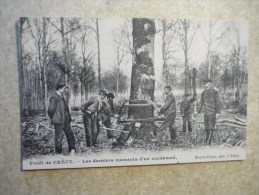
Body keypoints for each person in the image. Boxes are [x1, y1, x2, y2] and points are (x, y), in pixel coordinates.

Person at [47, 84, 76, 155]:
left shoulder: (62, 97)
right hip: (59, 122)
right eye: (64, 88)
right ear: (59, 89)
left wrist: (69, 118)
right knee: (58, 138)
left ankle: (72, 150)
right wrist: (55, 118)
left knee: (70, 135)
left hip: (66, 121)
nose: (65, 90)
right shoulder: (54, 98)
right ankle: (58, 153)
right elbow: (50, 111)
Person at [195, 79, 221, 145]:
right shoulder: (203, 92)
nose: (204, 84)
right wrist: (197, 112)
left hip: (212, 112)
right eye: (204, 83)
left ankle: (208, 143)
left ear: (210, 84)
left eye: (205, 83)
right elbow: (201, 103)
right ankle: (207, 140)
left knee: (211, 127)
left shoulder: (214, 91)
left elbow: (218, 102)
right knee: (206, 128)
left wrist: (218, 112)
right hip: (206, 113)